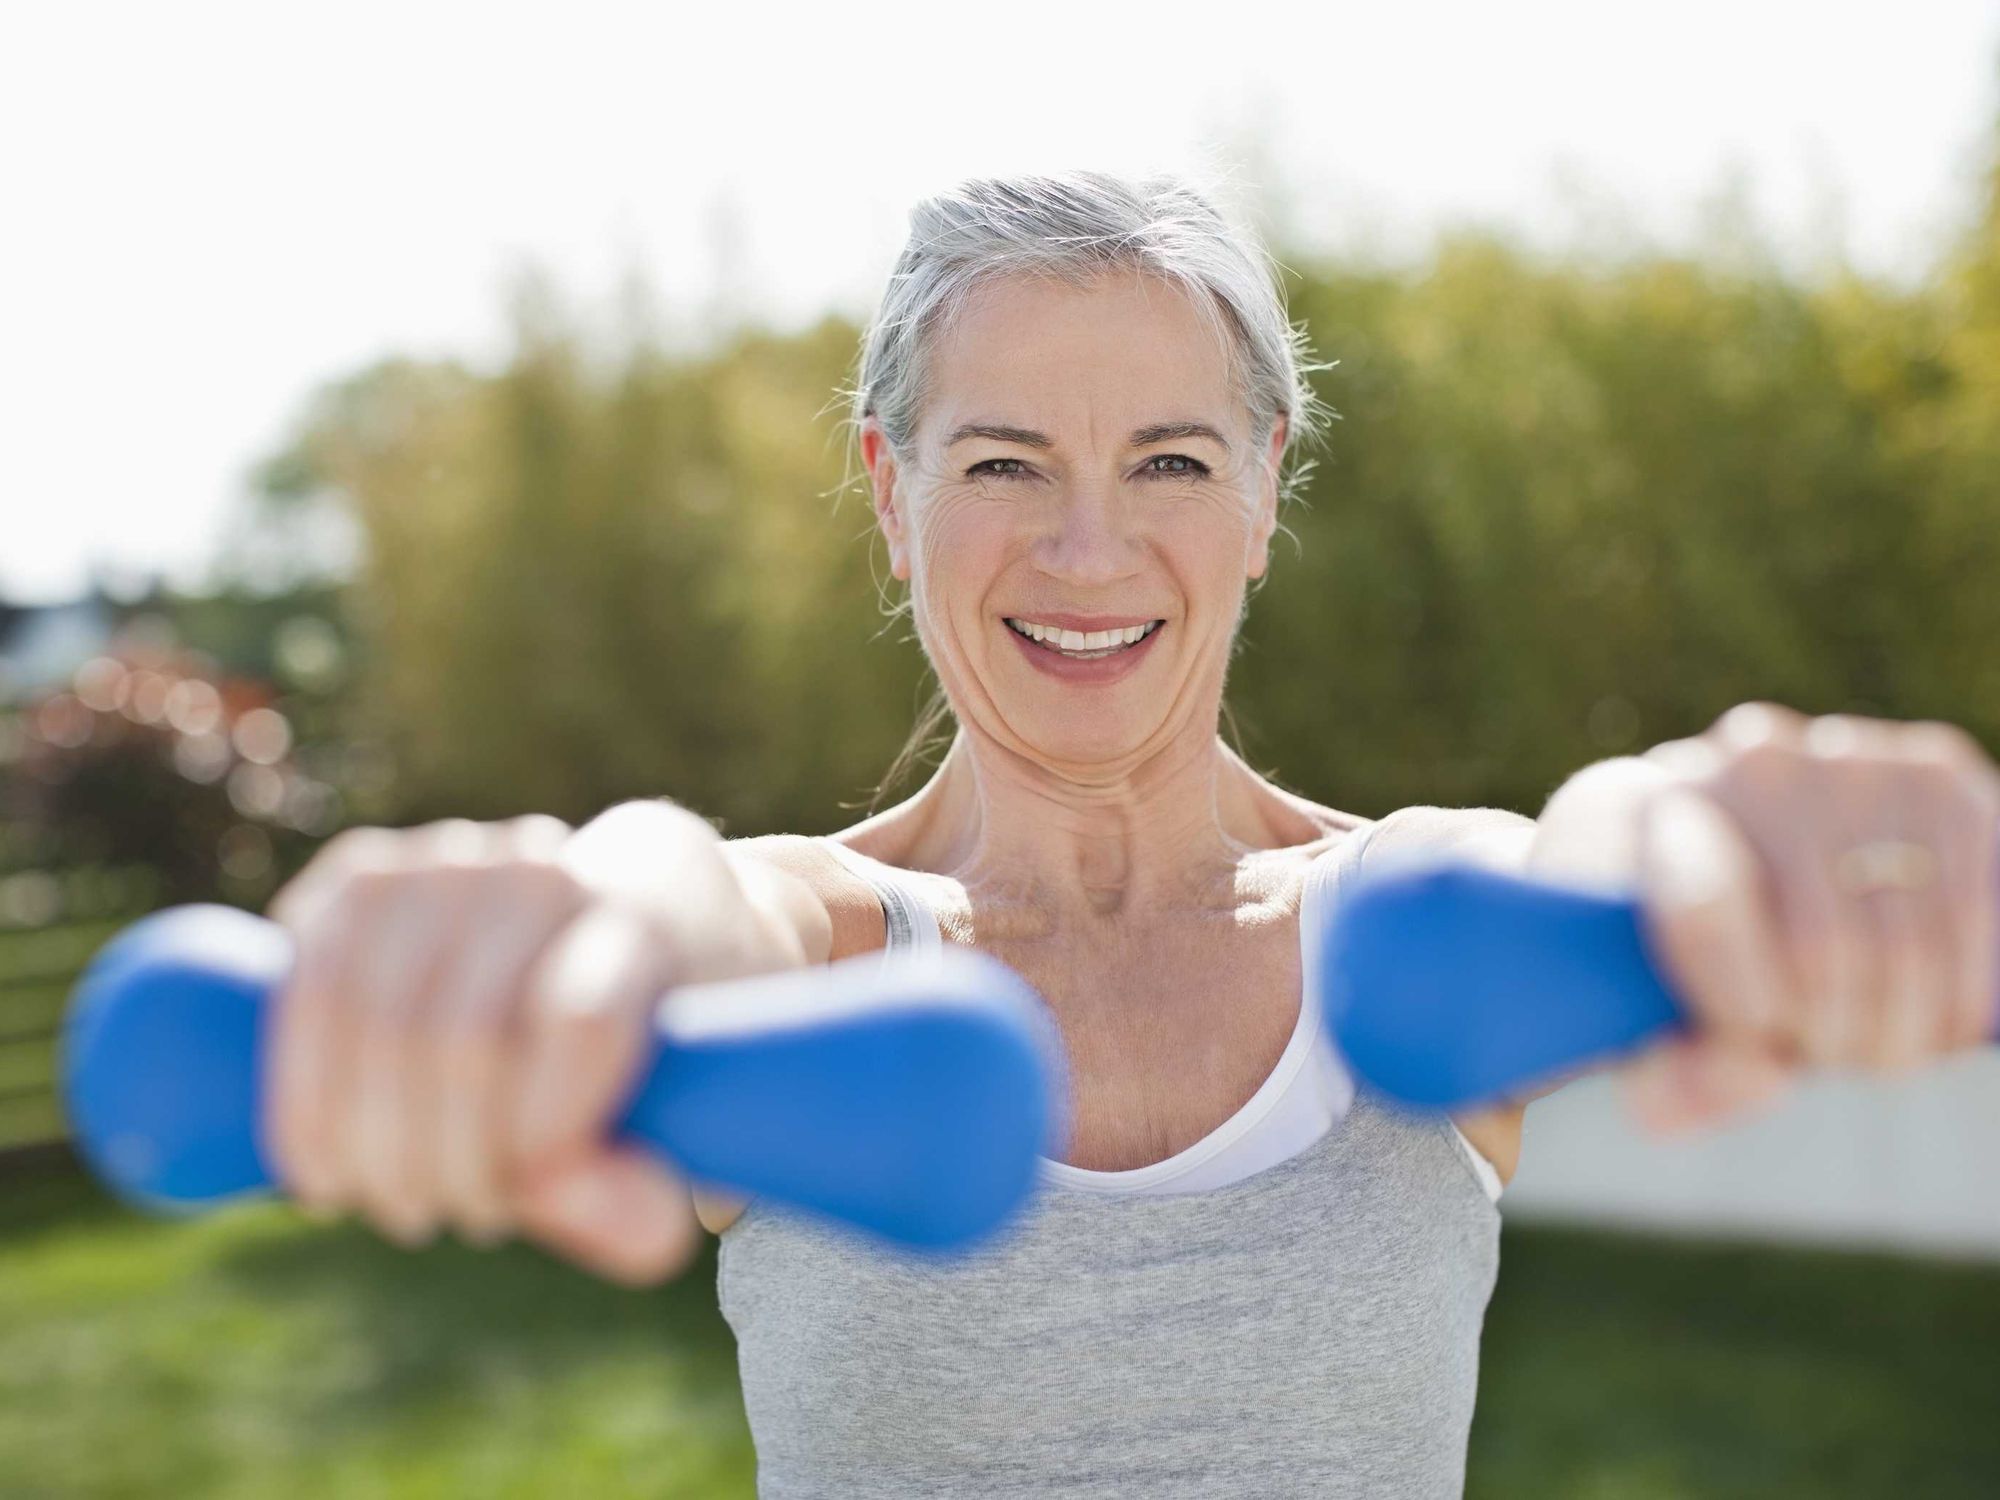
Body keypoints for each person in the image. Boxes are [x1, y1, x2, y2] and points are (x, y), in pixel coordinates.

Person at [262, 169, 2000, 1497]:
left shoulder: (1400, 915)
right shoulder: (822, 946)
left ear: (1263, 491)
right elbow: (678, 899)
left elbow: (1579, 856)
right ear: (892, 495)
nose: (1088, 554)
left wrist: (1702, 819)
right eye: (1003, 464)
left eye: (1169, 461)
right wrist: (577, 907)